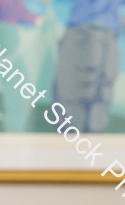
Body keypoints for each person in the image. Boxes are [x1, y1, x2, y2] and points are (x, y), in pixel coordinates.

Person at [53, 0, 125, 133]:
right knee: (74, 93)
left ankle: (88, 146)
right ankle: (75, 144)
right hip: (84, 32)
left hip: (104, 34)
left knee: (100, 94)